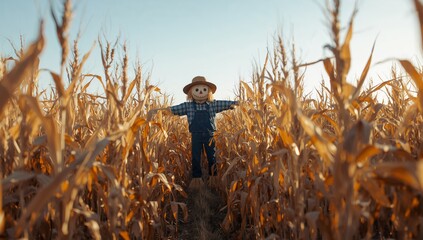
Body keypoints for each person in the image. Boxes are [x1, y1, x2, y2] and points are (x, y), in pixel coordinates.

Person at [148, 76, 238, 189]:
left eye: (204, 90)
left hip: (210, 136)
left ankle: (213, 180)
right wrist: (157, 111)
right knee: (195, 158)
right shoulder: (188, 106)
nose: (200, 92)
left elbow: (227, 104)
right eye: (197, 90)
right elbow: (173, 109)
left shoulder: (212, 104)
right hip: (195, 135)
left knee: (212, 157)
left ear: (209, 92)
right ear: (191, 92)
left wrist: (238, 103)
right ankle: (197, 181)